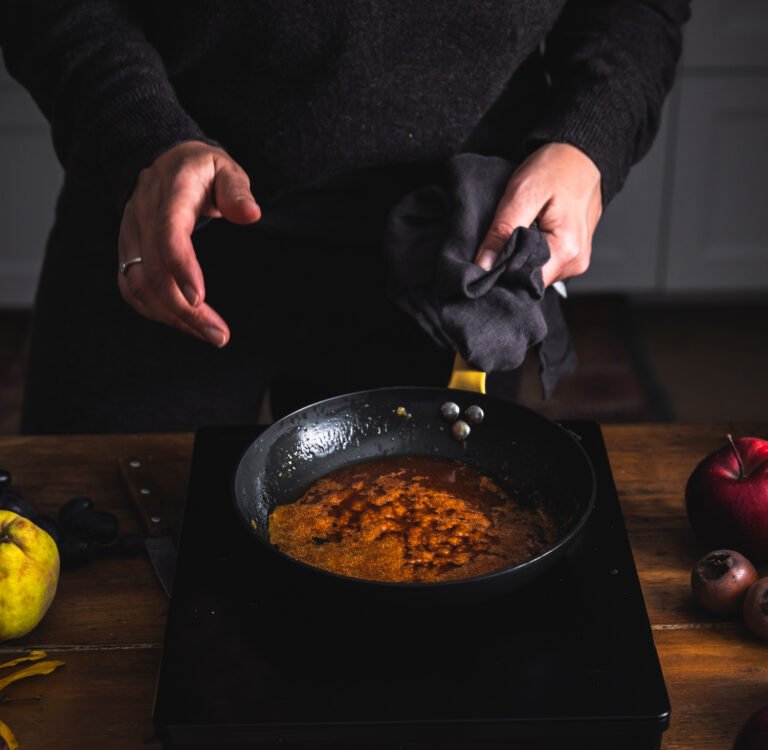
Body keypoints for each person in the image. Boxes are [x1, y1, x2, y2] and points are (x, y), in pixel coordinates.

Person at [0, 0, 690, 433]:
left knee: (419, 626)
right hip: (168, 227)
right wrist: (140, 135)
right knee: (99, 564)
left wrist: (589, 137)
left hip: (450, 260)